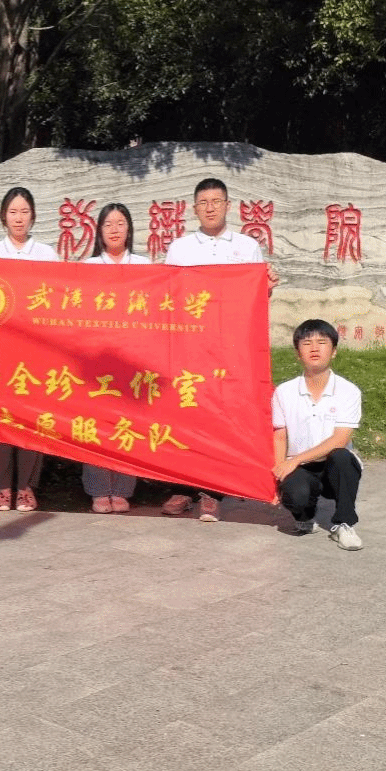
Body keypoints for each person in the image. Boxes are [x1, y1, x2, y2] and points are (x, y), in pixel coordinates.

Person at [161, 176, 280, 522]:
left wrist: (266, 287)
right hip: (191, 344)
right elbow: (169, 297)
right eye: (203, 202)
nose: (210, 208)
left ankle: (213, 491)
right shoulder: (180, 248)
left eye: (216, 201)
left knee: (220, 415)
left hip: (230, 346)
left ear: (229, 206)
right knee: (187, 413)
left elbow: (253, 300)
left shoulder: (247, 247)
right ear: (194, 209)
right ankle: (183, 485)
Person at [0, 187, 58, 512]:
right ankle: (1, 487)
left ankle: (26, 486)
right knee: (0, 418)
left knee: (31, 419)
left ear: (33, 216)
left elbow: (57, 301)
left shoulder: (47, 254)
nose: (19, 218)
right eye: (13, 212)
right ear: (3, 216)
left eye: (25, 211)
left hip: (35, 350)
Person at [272, 319, 364, 550]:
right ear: (297, 353)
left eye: (322, 342)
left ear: (333, 351)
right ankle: (305, 516)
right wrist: (279, 474)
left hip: (334, 465)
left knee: (342, 456)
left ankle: (344, 524)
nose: (314, 348)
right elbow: (279, 436)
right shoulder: (284, 392)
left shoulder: (348, 391)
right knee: (295, 494)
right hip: (302, 467)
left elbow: (339, 440)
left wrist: (295, 460)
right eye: (307, 343)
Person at [82, 203, 148, 513]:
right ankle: (98, 490)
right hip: (97, 358)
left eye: (121, 223)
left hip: (133, 358)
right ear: (99, 230)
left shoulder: (145, 266)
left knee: (127, 424)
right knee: (95, 425)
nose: (115, 229)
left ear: (129, 228)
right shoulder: (88, 267)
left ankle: (122, 489)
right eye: (108, 224)